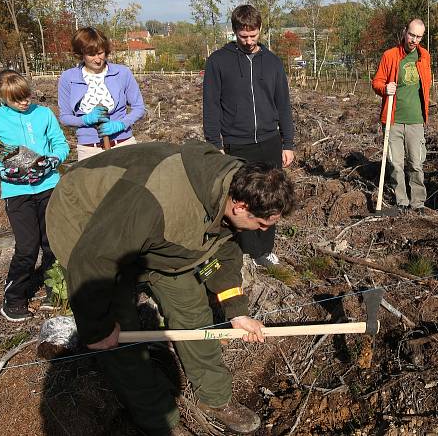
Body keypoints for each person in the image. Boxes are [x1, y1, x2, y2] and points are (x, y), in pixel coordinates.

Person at [46, 140, 296, 435]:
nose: (265, 232)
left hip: (159, 235)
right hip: (88, 225)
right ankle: (158, 418)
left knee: (193, 312)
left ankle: (215, 398)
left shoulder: (235, 186)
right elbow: (92, 259)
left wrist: (237, 311)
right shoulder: (155, 200)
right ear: (240, 206)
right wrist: (97, 327)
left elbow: (224, 250)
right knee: (119, 337)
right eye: (263, 225)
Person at [203, 5, 295, 268]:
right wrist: (214, 144)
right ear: (234, 31)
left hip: (269, 141)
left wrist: (287, 143)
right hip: (236, 143)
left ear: (260, 30)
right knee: (240, 200)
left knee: (270, 198)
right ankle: (241, 250)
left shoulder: (273, 62)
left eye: (253, 35)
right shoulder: (219, 62)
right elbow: (211, 106)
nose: (248, 41)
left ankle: (264, 251)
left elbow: (283, 105)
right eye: (243, 36)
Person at [0, 70, 70, 322]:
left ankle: (56, 291)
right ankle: (14, 299)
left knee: (53, 242)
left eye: (26, 96)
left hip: (49, 187)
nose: (24, 102)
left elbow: (60, 143)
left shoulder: (43, 114)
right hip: (17, 193)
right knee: (27, 247)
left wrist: (53, 160)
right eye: (16, 99)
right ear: (2, 97)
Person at [58, 27, 145, 161]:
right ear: (81, 54)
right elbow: (65, 117)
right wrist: (85, 120)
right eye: (91, 55)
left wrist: (121, 124)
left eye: (100, 53)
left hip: (124, 144)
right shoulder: (68, 78)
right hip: (89, 150)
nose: (98, 59)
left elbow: (139, 108)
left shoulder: (122, 73)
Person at [372, 19, 432, 212]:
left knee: (416, 163)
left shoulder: (424, 57)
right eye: (412, 35)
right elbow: (377, 82)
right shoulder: (390, 56)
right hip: (393, 120)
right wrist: (384, 88)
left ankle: (418, 202)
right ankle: (402, 201)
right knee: (396, 164)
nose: (414, 40)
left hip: (416, 121)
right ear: (405, 32)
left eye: (418, 36)